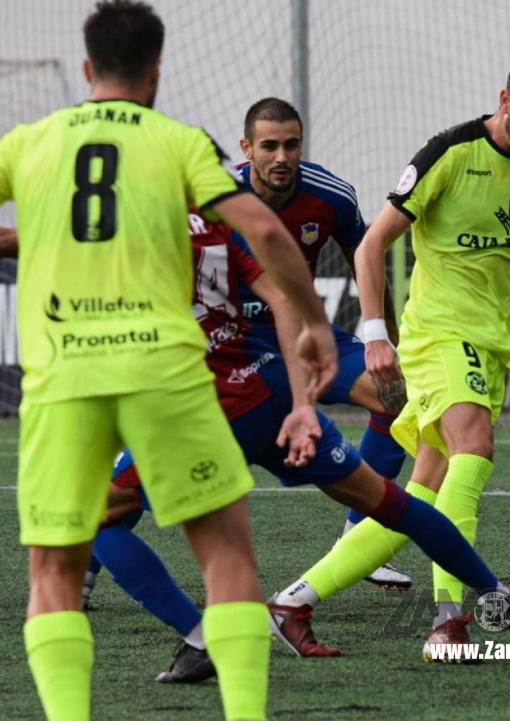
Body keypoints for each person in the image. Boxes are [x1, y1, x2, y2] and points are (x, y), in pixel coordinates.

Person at [0, 2, 337, 720]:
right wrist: (315, 321)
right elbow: (263, 231)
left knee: (55, 570)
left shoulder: (29, 142)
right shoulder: (180, 143)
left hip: (65, 376)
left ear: (87, 69)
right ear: (157, 72)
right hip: (168, 373)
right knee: (226, 556)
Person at [90, 214, 510, 679]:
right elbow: (282, 298)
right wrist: (304, 400)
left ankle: (203, 639)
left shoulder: (128, 237)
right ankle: (499, 596)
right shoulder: (217, 225)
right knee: (392, 502)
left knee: (97, 515)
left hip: (207, 411)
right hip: (275, 394)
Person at [298, 49, 510, 659]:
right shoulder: (449, 153)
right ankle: (451, 620)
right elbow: (371, 247)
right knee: (474, 449)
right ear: (506, 101)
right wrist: (374, 334)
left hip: (491, 339)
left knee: (422, 490)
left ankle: (295, 601)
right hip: (440, 334)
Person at [236, 98, 411, 589]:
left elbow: (367, 260)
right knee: (152, 447)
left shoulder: (330, 195)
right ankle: (90, 567)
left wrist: (387, 338)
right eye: (268, 146)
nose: (281, 157)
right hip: (231, 346)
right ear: (246, 148)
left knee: (395, 395)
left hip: (303, 340)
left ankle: (360, 543)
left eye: (291, 145)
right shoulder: (215, 194)